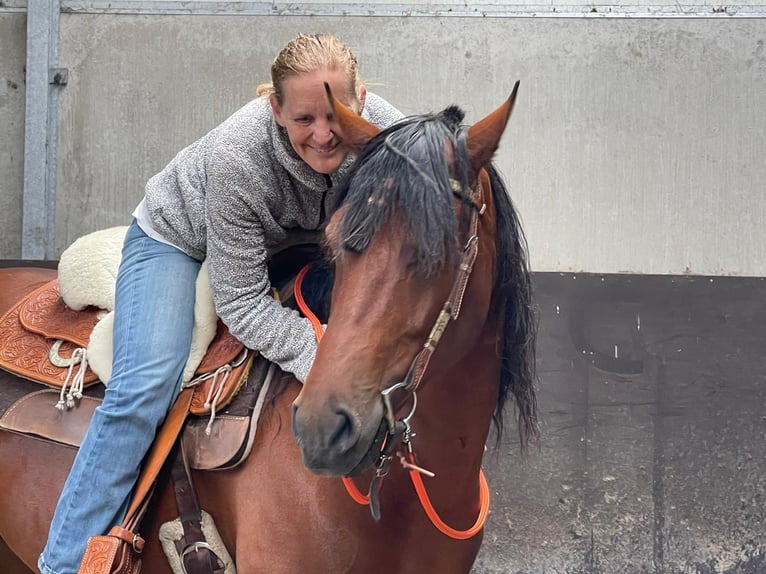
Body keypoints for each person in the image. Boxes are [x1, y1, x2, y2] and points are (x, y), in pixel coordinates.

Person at [38, 33, 403, 574]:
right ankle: (64, 561)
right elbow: (242, 302)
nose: (325, 135)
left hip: (297, 242)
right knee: (144, 387)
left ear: (363, 100)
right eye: (303, 119)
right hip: (177, 240)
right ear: (274, 108)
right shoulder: (239, 156)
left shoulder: (388, 133)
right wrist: (319, 350)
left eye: (338, 115)